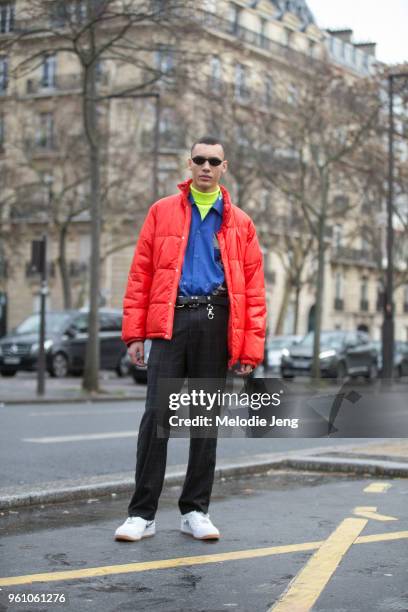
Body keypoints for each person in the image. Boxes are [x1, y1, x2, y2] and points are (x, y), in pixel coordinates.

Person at [115, 136, 266, 542]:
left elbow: (253, 291)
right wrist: (134, 333)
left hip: (216, 323)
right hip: (170, 322)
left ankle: (195, 510)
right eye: (199, 159)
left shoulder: (242, 223)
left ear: (224, 166)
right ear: (189, 163)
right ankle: (141, 514)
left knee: (204, 421)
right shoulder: (161, 212)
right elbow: (140, 276)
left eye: (213, 161)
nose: (205, 166)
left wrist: (249, 348)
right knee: (156, 418)